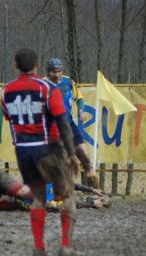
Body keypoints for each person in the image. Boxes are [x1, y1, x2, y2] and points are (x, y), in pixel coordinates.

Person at [1, 48, 82, 256]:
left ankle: (39, 247)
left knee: (38, 196)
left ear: (15, 66)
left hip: (23, 151)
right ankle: (66, 247)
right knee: (67, 195)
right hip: (47, 147)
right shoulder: (47, 88)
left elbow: (10, 119)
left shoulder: (6, 91)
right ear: (38, 65)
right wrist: (72, 153)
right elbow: (63, 121)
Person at [43, 58, 99, 189]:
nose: (56, 75)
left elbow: (79, 99)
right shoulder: (42, 84)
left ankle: (95, 185)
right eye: (53, 72)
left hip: (68, 123)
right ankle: (56, 188)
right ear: (48, 72)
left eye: (59, 71)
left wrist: (81, 111)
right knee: (59, 159)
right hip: (51, 126)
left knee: (83, 153)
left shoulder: (68, 82)